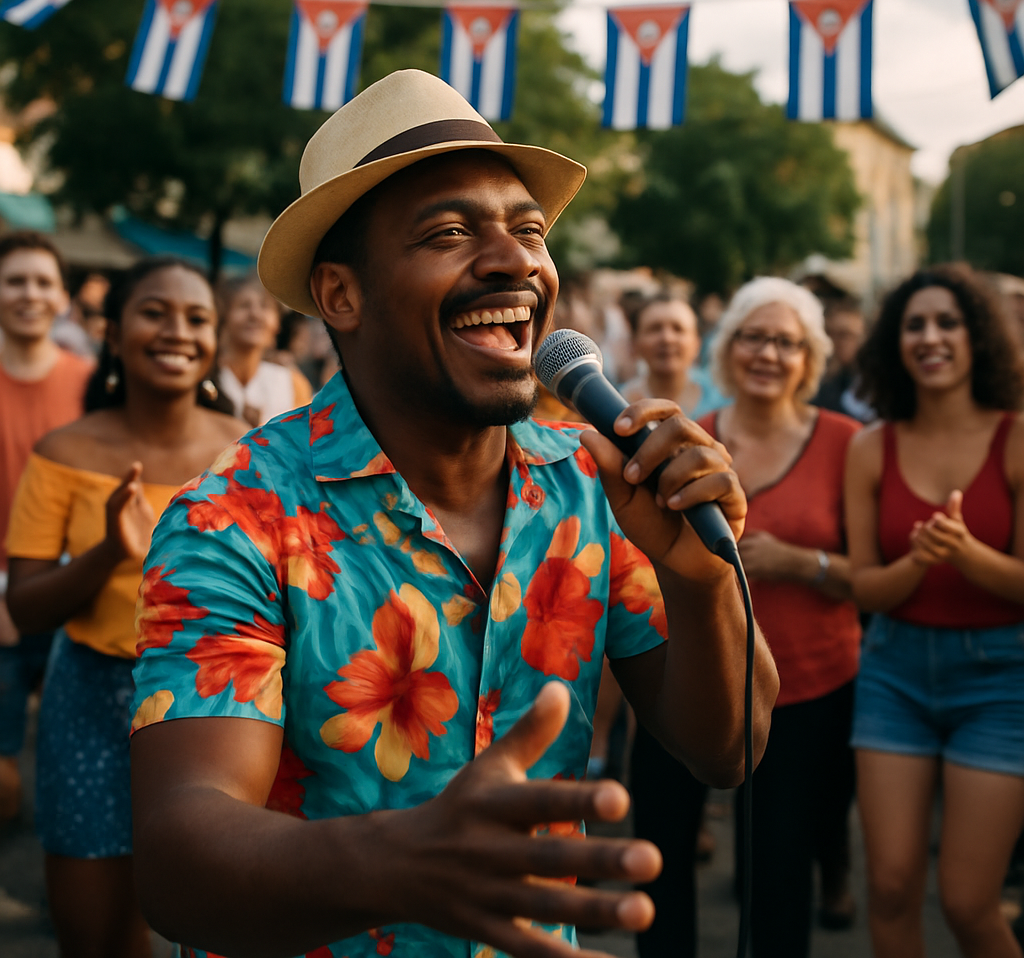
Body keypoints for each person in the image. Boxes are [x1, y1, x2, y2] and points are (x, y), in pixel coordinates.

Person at [127, 68, 779, 958]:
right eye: (447, 233)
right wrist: (398, 862)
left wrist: (700, 581)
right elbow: (178, 861)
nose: (515, 260)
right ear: (341, 296)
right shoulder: (233, 518)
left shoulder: (596, 485)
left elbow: (727, 749)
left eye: (529, 231)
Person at [5, 256, 245, 958]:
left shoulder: (249, 453)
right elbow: (26, 607)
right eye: (153, 312)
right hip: (90, 695)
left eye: (197, 318)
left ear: (214, 340)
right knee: (96, 933)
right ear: (112, 333)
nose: (177, 331)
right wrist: (109, 550)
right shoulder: (63, 451)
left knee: (213, 925)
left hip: (218, 703)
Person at [845, 264, 1024, 958]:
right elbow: (864, 589)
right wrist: (919, 561)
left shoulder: (1015, 437)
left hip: (1001, 680)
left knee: (969, 903)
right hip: (894, 674)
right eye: (914, 325)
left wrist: (964, 553)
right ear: (895, 343)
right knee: (888, 890)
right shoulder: (871, 447)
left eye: (948, 322)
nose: (930, 337)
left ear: (978, 337)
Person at [695, 276, 861, 958]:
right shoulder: (691, 438)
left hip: (813, 687)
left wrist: (804, 564)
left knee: (783, 864)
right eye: (753, 337)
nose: (767, 353)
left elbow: (881, 580)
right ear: (729, 348)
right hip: (715, 685)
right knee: (735, 860)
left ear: (809, 359)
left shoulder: (849, 443)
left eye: (786, 342)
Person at [0, 231, 93, 825]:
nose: (29, 294)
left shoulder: (92, 380)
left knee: (79, 762)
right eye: (14, 281)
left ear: (62, 296)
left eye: (42, 281)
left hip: (82, 584)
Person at [216, 274, 313, 426]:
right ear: (223, 317)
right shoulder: (206, 377)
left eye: (264, 306)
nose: (255, 314)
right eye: (243, 305)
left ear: (277, 324)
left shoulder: (291, 383)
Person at [621, 291, 729, 420]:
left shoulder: (723, 401)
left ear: (697, 343)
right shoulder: (617, 402)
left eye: (678, 329)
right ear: (634, 342)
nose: (667, 338)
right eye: (654, 329)